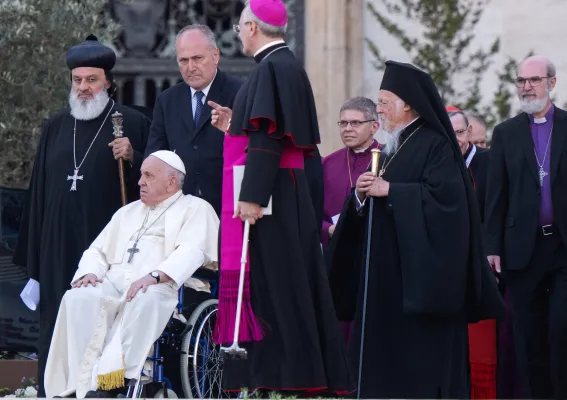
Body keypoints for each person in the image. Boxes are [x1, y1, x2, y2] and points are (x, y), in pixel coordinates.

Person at [326, 60, 504, 399]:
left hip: (422, 286)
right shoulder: (395, 145)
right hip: (388, 282)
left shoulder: (437, 145)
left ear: (406, 103)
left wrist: (391, 191)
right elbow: (381, 201)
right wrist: (361, 196)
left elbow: (449, 207)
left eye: (383, 101)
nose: (378, 109)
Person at [209, 0, 354, 396]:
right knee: (287, 285)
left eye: (240, 25)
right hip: (285, 191)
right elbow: (265, 135)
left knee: (278, 288)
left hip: (272, 197)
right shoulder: (284, 65)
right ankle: (285, 376)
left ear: (254, 28)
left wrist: (252, 196)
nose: (238, 31)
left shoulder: (271, 67)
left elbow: (269, 136)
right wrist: (231, 128)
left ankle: (285, 377)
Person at [13, 35, 151, 397]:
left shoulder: (131, 123)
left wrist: (134, 156)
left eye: (92, 80)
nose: (84, 87)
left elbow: (157, 186)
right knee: (56, 321)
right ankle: (54, 391)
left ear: (108, 81)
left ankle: (100, 393)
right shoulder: (56, 126)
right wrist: (34, 255)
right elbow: (39, 189)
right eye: (78, 80)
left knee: (101, 320)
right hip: (56, 244)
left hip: (105, 244)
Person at [44, 151, 219, 398]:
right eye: (141, 175)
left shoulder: (196, 208)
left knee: (145, 298)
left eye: (148, 175)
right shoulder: (127, 212)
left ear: (171, 182)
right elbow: (97, 250)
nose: (140, 182)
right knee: (79, 298)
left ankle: (112, 384)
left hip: (164, 284)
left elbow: (193, 251)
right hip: (115, 280)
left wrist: (156, 275)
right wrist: (90, 273)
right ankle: (76, 385)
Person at [484, 55, 567, 399]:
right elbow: (496, 194)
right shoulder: (505, 133)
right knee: (527, 334)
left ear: (551, 82)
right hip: (522, 246)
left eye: (533, 80)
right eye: (521, 81)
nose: (526, 87)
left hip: (564, 246)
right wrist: (492, 245)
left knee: (563, 328)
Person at [145, 24, 242, 214]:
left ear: (215, 55)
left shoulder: (240, 93)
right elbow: (156, 154)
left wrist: (232, 126)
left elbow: (253, 149)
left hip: (226, 206)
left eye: (197, 58)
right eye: (183, 60)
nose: (190, 67)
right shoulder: (167, 100)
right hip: (179, 209)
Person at [321, 97, 381, 345]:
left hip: (375, 255)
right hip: (336, 255)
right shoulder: (328, 163)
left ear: (374, 126)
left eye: (355, 123)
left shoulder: (390, 159)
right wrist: (329, 229)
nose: (348, 129)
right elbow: (313, 212)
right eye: (343, 123)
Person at [447, 105, 497, 398]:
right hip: (446, 267)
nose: (459, 140)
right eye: (452, 133)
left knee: (480, 343)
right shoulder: (436, 162)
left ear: (470, 132)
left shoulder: (489, 163)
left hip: (481, 265)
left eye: (462, 132)